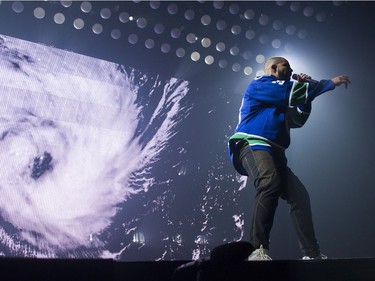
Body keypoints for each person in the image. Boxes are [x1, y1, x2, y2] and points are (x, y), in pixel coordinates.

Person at [228, 57, 350, 260]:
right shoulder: (261, 84)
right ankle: (257, 249)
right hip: (253, 143)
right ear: (274, 68)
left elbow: (299, 119)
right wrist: (328, 83)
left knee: (299, 196)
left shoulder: (283, 96)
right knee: (269, 182)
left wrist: (306, 90)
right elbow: (294, 93)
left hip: (274, 151)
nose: (292, 69)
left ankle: (312, 254)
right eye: (287, 66)